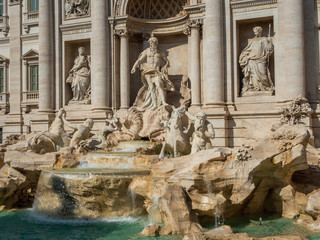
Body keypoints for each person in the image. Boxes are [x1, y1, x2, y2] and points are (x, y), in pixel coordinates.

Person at [131, 34, 175, 111]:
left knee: (159, 84)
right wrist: (134, 67)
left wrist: (165, 67)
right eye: (151, 43)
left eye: (154, 42)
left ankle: (163, 102)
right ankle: (154, 104)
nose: (152, 44)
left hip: (157, 72)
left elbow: (167, 62)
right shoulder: (146, 52)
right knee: (151, 87)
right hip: (148, 71)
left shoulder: (160, 53)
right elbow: (139, 60)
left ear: (156, 43)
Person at [239, 26, 274, 95]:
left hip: (261, 59)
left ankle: (265, 87)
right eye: (254, 32)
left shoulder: (264, 39)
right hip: (251, 59)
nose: (255, 33)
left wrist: (270, 43)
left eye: (256, 32)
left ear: (260, 31)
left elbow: (269, 50)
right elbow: (247, 50)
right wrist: (243, 56)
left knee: (263, 74)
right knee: (253, 75)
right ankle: (253, 87)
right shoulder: (252, 40)